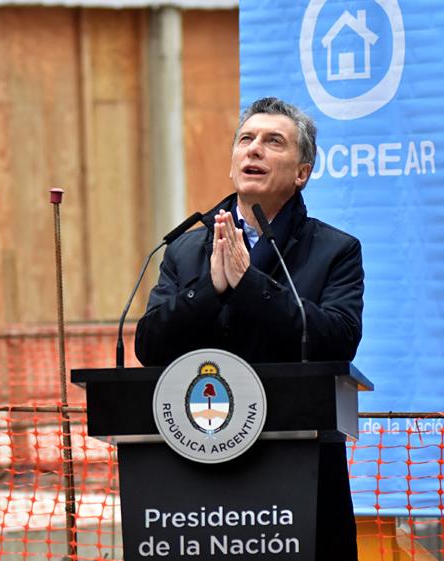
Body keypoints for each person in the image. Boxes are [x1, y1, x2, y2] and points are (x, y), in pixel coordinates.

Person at [134, 97, 364, 558]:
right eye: (246, 139)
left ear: (302, 172)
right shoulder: (186, 248)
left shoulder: (335, 249)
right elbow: (149, 344)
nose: (253, 149)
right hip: (199, 458)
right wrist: (210, 290)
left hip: (298, 469)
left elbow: (338, 338)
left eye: (272, 141)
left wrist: (249, 285)